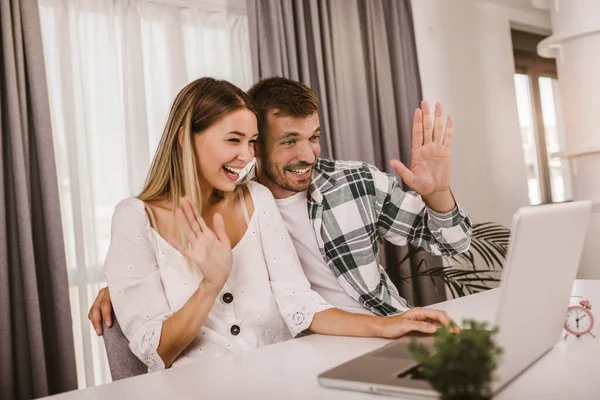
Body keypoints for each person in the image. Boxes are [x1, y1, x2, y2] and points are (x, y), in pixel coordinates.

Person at [103, 77, 455, 371]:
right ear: (184, 138)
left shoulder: (258, 198)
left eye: (251, 142)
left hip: (291, 370)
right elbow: (153, 349)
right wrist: (208, 284)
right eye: (233, 141)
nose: (245, 155)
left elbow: (299, 302)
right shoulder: (136, 217)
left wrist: (389, 325)